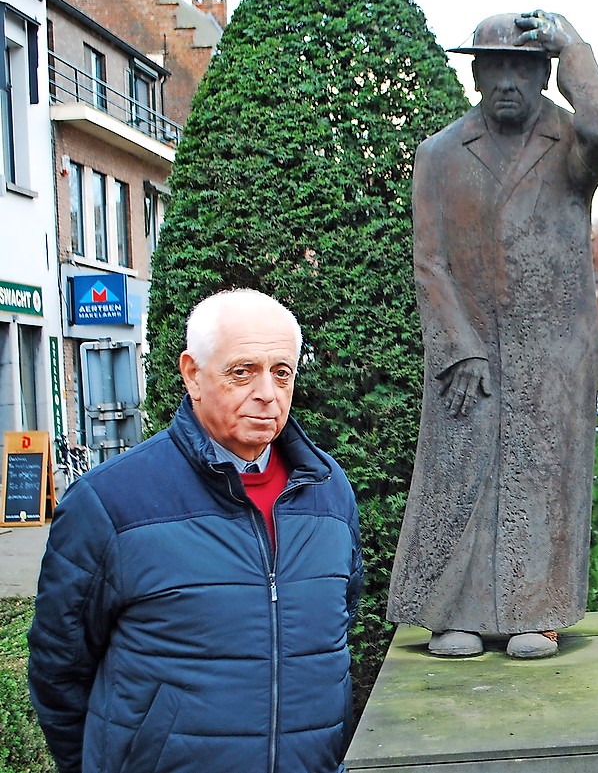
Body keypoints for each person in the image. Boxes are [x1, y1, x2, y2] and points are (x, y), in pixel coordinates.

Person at [28, 289, 364, 773]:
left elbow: (337, 625)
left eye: (282, 372)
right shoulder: (112, 502)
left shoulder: (329, 491)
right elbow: (60, 667)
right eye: (242, 371)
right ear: (193, 375)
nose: (267, 393)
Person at [387, 10, 598, 660]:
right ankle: (451, 612)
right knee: (457, 476)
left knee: (542, 481)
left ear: (545, 75)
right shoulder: (437, 154)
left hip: (554, 354)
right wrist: (455, 344)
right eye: (498, 66)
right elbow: (429, 260)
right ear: (477, 73)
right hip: (468, 348)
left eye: (525, 66)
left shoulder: (572, 145)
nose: (510, 80)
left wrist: (573, 43)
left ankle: (535, 612)